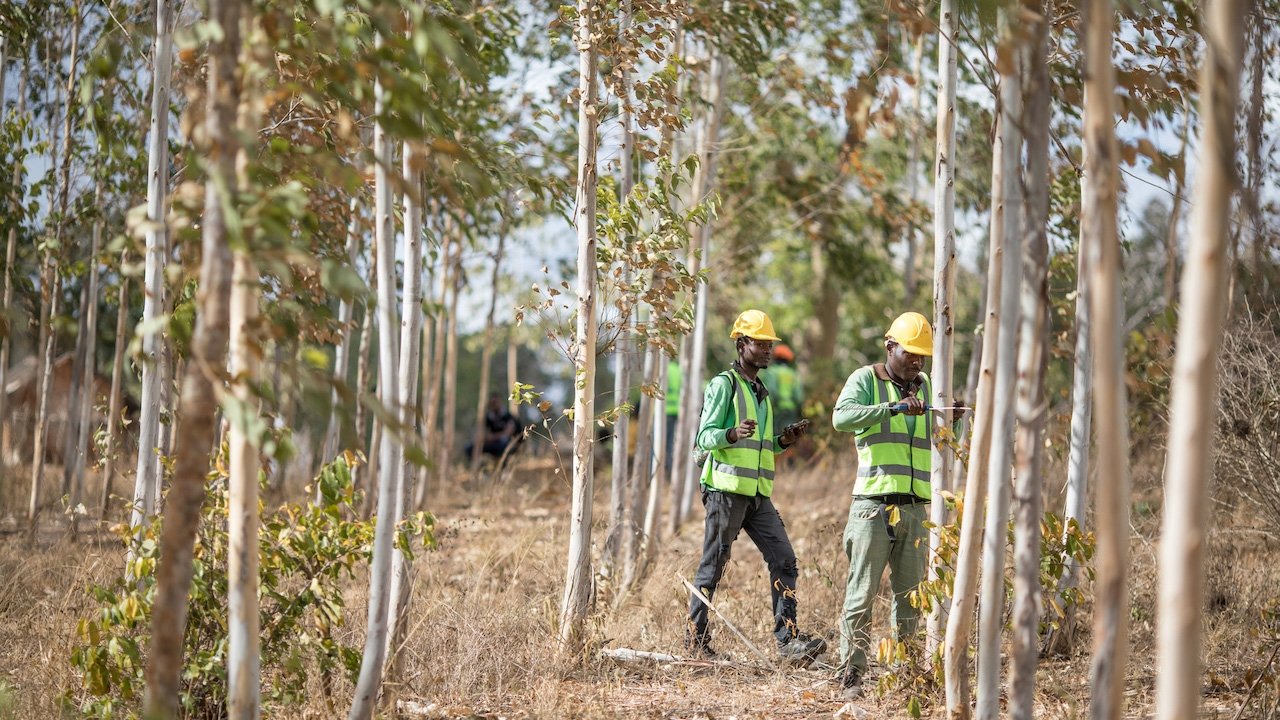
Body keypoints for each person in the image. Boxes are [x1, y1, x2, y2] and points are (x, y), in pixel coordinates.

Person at [830, 311, 963, 698]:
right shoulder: (866, 380)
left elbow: (940, 441)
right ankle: (851, 674)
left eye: (923, 355)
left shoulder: (927, 386)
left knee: (910, 600)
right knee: (862, 595)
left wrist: (952, 417)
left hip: (915, 508)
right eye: (910, 353)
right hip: (873, 506)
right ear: (890, 347)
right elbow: (841, 418)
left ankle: (901, 676)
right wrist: (892, 408)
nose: (917, 361)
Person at [684, 309, 825, 665]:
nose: (767, 350)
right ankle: (695, 643)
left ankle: (788, 641)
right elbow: (703, 437)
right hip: (726, 491)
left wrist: (783, 440)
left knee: (784, 559)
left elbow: (761, 447)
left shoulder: (760, 391)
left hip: (758, 494)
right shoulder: (724, 385)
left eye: (769, 344)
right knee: (712, 566)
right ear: (741, 344)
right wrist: (730, 433)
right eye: (760, 344)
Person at [465, 395, 523, 460]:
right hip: (493, 443)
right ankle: (480, 466)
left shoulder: (509, 417)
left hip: (508, 444)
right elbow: (481, 433)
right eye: (492, 403)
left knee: (503, 446)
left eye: (495, 402)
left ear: (500, 402)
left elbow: (506, 434)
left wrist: (491, 437)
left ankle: (503, 467)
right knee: (469, 448)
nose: (494, 405)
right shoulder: (488, 418)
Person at [760, 343, 803, 430]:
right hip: (791, 410)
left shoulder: (771, 372)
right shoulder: (793, 374)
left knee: (775, 437)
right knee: (788, 437)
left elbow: (771, 392)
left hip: (777, 410)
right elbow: (798, 397)